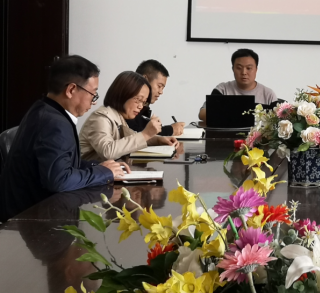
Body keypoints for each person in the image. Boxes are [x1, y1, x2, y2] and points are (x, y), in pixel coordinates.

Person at [0, 55, 129, 222]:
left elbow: (62, 163)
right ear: (71, 90)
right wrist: (104, 173)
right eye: (93, 94)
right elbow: (60, 180)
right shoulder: (55, 123)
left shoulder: (42, 109)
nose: (94, 102)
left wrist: (101, 167)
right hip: (32, 220)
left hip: (32, 214)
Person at [80, 71, 179, 162]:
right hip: (89, 173)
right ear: (122, 94)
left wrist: (158, 140)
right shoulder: (100, 118)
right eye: (138, 100)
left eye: (143, 102)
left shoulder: (119, 116)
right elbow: (108, 152)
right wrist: (146, 134)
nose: (140, 106)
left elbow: (132, 137)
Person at [198, 48, 277, 121]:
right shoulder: (222, 90)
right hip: (226, 132)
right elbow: (202, 114)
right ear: (233, 69)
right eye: (239, 68)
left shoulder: (268, 94)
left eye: (249, 68)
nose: (244, 72)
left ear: (256, 70)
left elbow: (276, 121)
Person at [126, 59, 185, 136]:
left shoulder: (144, 105)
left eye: (162, 88)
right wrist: (170, 130)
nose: (161, 92)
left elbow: (143, 130)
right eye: (159, 86)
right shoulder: (128, 100)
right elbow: (133, 133)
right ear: (145, 79)